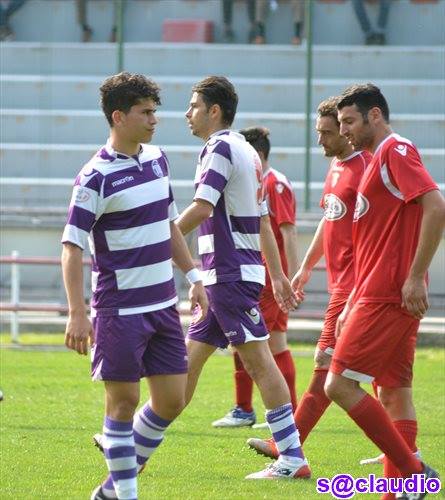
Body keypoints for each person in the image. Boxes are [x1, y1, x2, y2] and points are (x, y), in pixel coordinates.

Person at [61, 72, 208, 500]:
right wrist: (76, 312)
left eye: (155, 111)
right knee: (123, 403)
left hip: (163, 305)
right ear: (118, 116)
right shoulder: (94, 177)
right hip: (119, 311)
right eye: (145, 112)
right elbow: (71, 246)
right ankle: (126, 493)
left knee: (172, 400)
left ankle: (111, 489)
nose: (154, 119)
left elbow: (168, 225)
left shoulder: (158, 158)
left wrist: (194, 276)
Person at [176, 75, 311, 480]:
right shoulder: (248, 152)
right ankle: (133, 440)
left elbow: (202, 208)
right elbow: (265, 222)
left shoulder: (217, 147)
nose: (188, 113)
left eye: (194, 105)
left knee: (260, 362)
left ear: (214, 111)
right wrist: (279, 276)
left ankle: (291, 458)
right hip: (233, 273)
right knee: (188, 360)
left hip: (229, 273)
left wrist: (154, 239)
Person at [327, 83, 443, 498]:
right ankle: (397, 492)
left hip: (390, 292)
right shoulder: (379, 160)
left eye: (350, 122)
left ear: (375, 115)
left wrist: (415, 276)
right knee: (394, 394)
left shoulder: (395, 149)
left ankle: (414, 474)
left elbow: (436, 205)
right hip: (376, 290)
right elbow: (375, 241)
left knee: (337, 385)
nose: (345, 132)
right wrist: (352, 296)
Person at [247, 96, 371, 455]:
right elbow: (328, 222)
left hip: (355, 283)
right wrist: (304, 268)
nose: (321, 140)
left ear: (348, 131)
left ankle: (288, 445)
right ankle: (406, 452)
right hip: (341, 281)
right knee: (385, 376)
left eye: (328, 133)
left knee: (326, 365)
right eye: (318, 132)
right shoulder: (336, 167)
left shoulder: (365, 166)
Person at [212, 126, 299, 428]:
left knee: (269, 343)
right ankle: (245, 408)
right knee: (249, 341)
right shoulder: (260, 184)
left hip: (267, 276)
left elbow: (286, 232)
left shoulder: (275, 184)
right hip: (257, 273)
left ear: (257, 155)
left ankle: (284, 411)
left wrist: (289, 275)